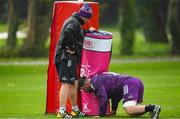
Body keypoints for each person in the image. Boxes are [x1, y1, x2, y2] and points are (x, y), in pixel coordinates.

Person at [54, 3, 95, 118]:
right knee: (67, 83)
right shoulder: (74, 22)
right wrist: (71, 47)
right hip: (65, 57)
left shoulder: (75, 22)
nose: (87, 21)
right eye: (88, 18)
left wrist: (88, 32)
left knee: (74, 83)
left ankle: (75, 110)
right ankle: (61, 112)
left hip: (68, 58)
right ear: (84, 16)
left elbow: (78, 33)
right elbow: (68, 32)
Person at [78, 72, 161, 119]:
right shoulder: (97, 81)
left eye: (83, 89)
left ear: (86, 85)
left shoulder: (96, 82)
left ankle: (153, 107)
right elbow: (115, 94)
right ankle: (151, 111)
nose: (84, 91)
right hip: (136, 82)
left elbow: (104, 98)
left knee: (129, 109)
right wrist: (114, 110)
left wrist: (100, 114)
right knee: (132, 113)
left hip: (129, 83)